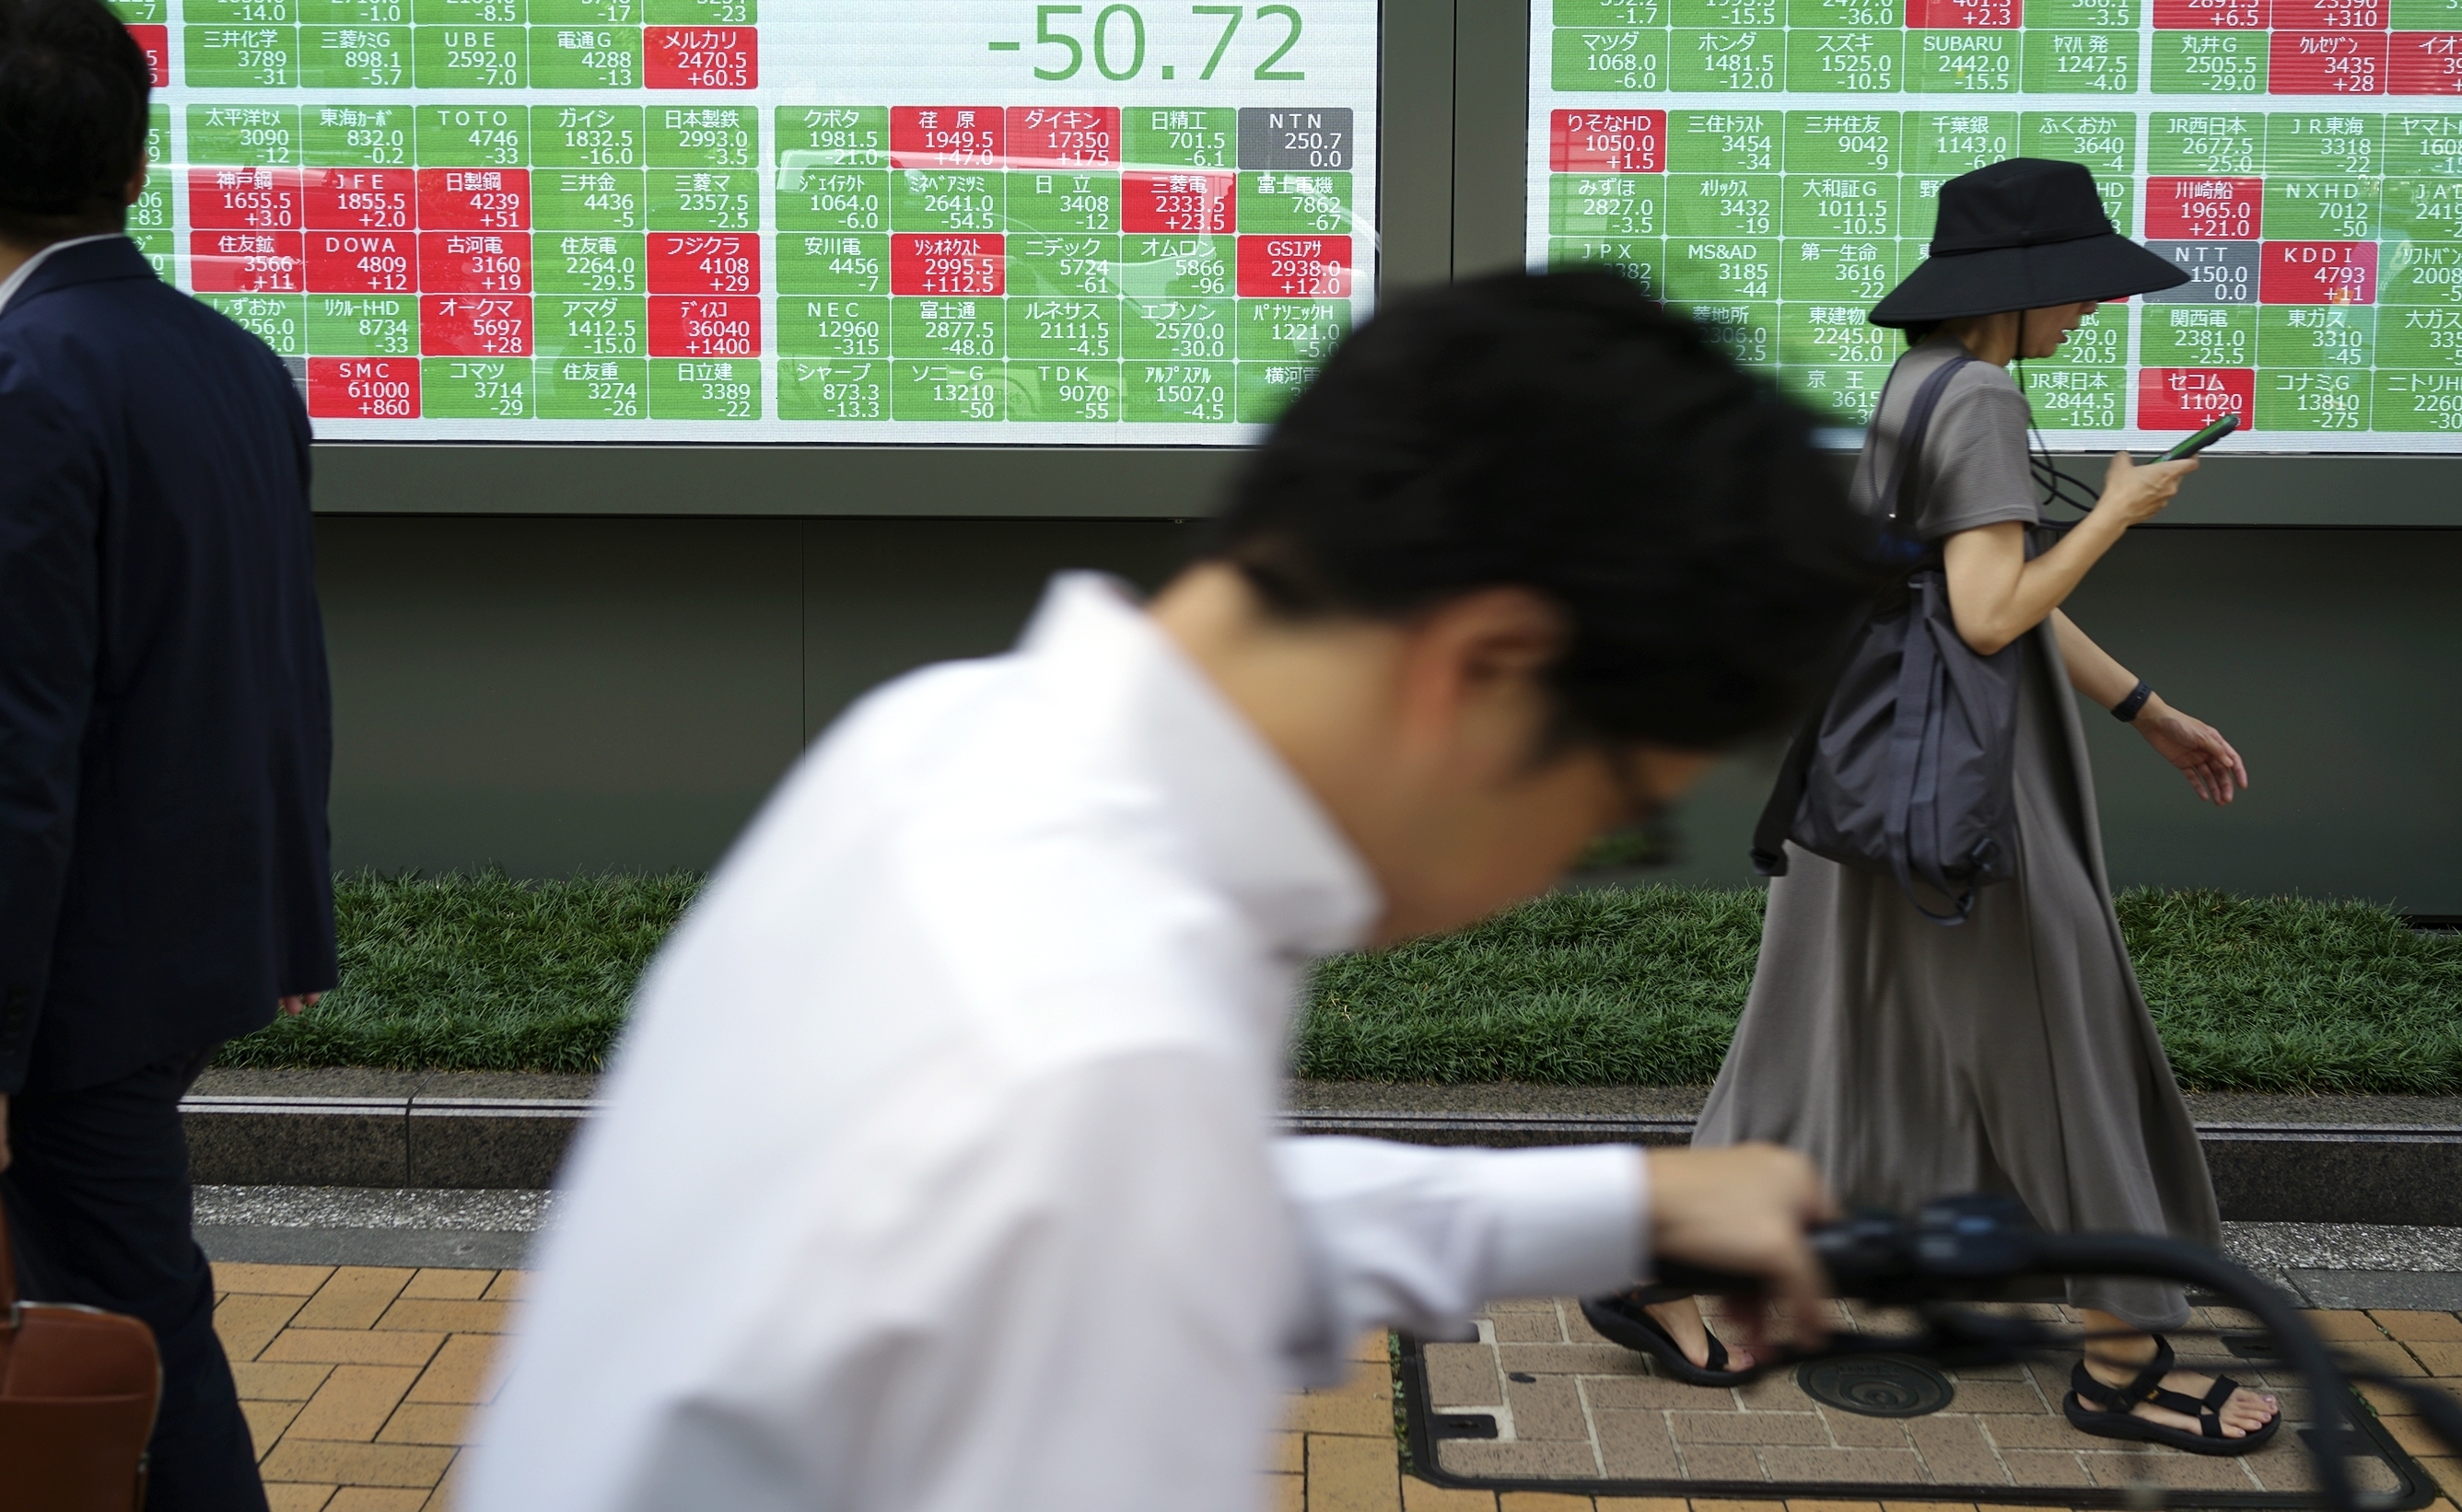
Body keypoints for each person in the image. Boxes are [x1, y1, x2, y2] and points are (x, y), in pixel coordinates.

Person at [464, 270, 1879, 1512]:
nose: (1549, 882)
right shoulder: (1102, 1058)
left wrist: (1626, 1206)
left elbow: (1132, 1241)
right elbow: (1113, 1193)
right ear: (1490, 670)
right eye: (1616, 824)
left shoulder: (943, 738)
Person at [1604, 157, 2276, 1457]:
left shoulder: (1920, 385)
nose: (2086, 314)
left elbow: (1973, 588)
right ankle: (2124, 1361)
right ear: (2011, 295)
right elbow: (1990, 614)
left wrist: (2150, 710)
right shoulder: (1980, 403)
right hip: (1970, 806)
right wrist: (2125, 509)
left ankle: (1659, 1265)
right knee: (2060, 1049)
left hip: (1880, 786)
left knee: (1818, 1047)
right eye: (2073, 291)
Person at [0, 0, 335, 1512]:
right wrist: (287, 905)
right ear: (134, 162)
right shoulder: (233, 362)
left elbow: (7, 737)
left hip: (61, 983)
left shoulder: (16, 387)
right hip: (167, 944)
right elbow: (272, 660)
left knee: (120, 1338)